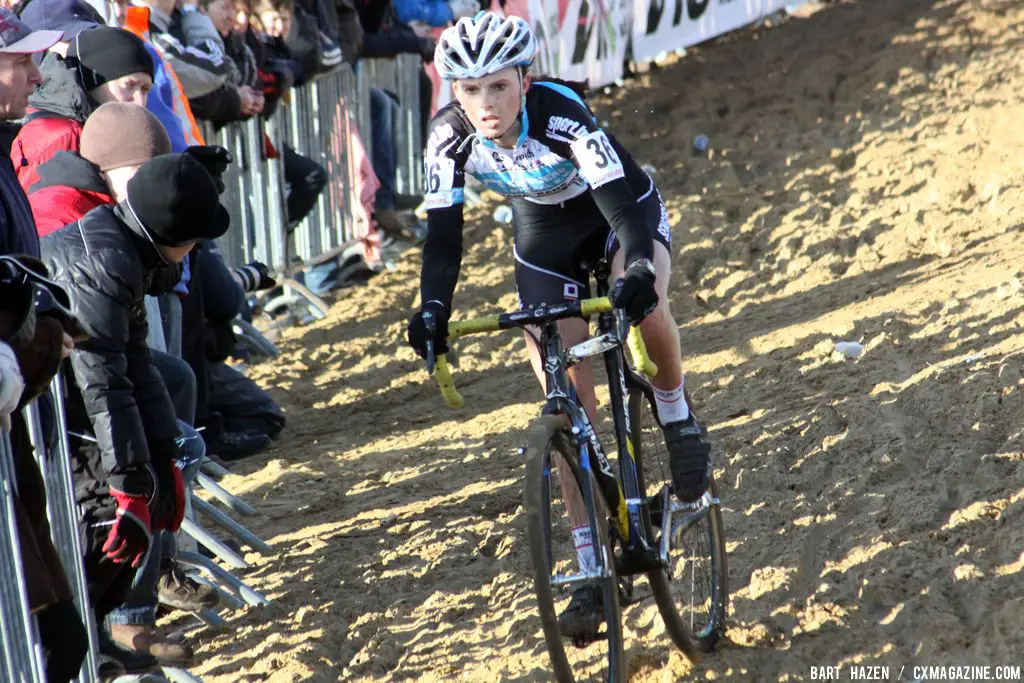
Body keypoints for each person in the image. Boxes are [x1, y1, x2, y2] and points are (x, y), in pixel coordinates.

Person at [405, 11, 713, 636]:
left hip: (618, 213)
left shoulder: (561, 110)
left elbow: (623, 208)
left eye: (498, 86)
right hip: (543, 238)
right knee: (566, 399)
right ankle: (588, 564)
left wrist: (637, 273)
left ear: (524, 78)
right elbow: (443, 241)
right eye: (469, 90)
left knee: (645, 301)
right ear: (454, 93)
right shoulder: (447, 137)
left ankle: (676, 416)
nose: (485, 104)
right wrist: (433, 306)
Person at [40, 152, 230, 670]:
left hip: (78, 400)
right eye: (192, 243)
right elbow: (104, 381)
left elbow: (138, 362)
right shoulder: (103, 264)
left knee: (138, 507)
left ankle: (96, 640)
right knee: (107, 522)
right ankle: (79, 650)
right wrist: (128, 484)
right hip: (56, 407)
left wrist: (166, 457)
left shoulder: (125, 250)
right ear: (172, 234)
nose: (192, 254)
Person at [0, 11, 91, 680]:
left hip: (10, 410)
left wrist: (43, 321)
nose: (38, 75)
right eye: (21, 61)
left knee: (57, 635)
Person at [10, 23, 154, 191]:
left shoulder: (89, 129)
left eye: (145, 90)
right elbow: (39, 211)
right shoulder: (65, 136)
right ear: (93, 82)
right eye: (129, 85)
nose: (140, 101)